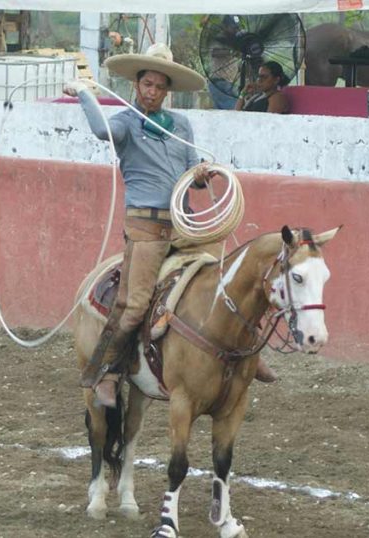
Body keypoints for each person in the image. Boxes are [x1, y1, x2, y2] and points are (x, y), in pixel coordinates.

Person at [64, 44, 276, 408]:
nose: (152, 91)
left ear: (166, 91)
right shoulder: (126, 123)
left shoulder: (181, 125)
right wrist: (85, 94)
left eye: (159, 86)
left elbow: (190, 173)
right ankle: (108, 372)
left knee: (224, 281)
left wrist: (200, 174)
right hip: (145, 227)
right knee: (134, 304)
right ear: (137, 84)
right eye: (147, 83)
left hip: (183, 224)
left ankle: (249, 353)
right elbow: (101, 132)